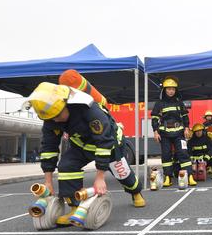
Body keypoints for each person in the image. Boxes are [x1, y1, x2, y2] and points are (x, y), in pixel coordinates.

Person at [28, 82, 145, 226]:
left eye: (57, 115)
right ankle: (74, 208)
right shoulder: (51, 117)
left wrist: (100, 178)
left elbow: (104, 142)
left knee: (123, 175)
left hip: (110, 144)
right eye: (51, 118)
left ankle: (135, 192)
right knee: (66, 166)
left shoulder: (89, 110)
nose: (55, 120)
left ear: (65, 105)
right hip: (82, 146)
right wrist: (48, 181)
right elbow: (48, 148)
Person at [151, 76, 196, 187]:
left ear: (175, 90)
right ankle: (168, 177)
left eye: (173, 89)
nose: (171, 91)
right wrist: (155, 132)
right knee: (166, 155)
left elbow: (185, 116)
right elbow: (155, 118)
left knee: (183, 153)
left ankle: (190, 176)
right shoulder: (159, 103)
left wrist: (186, 128)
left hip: (179, 132)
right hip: (164, 133)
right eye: (168, 89)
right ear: (164, 90)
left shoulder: (179, 103)